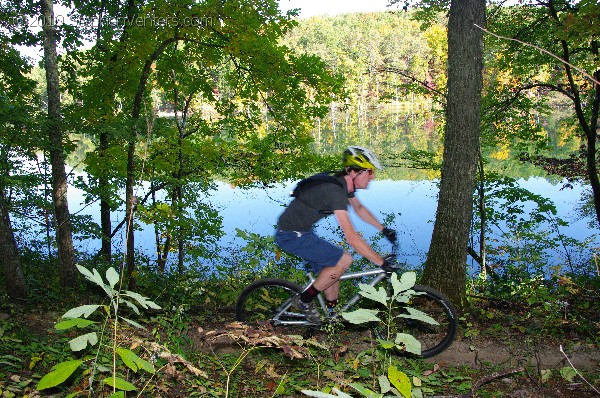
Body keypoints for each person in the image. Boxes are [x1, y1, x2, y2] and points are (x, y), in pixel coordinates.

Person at [275, 146, 397, 324]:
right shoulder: (335, 192)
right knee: (344, 260)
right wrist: (382, 263)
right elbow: (352, 237)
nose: (372, 177)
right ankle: (303, 300)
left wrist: (383, 229)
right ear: (354, 172)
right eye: (369, 172)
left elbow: (359, 208)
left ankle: (331, 317)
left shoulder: (342, 184)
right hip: (291, 235)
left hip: (302, 233)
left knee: (332, 276)